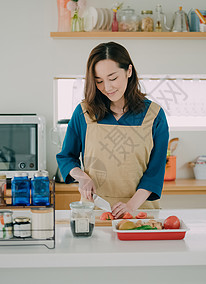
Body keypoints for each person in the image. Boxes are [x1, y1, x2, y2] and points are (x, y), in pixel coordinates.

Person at [56, 41, 169, 218]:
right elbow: (66, 157)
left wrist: (130, 207)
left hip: (140, 211)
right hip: (94, 211)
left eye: (113, 78)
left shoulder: (154, 115)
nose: (107, 88)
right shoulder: (84, 112)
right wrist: (82, 177)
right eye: (99, 81)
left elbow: (155, 172)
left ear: (129, 71)